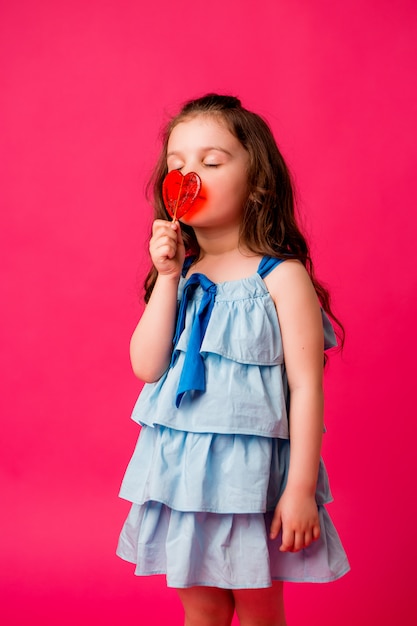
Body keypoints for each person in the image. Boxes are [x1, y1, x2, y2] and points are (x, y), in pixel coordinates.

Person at [117, 94, 350, 626]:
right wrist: (170, 277)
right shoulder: (183, 278)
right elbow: (146, 366)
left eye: (211, 162)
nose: (189, 175)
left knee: (258, 604)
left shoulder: (281, 278)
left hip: (253, 483)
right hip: (183, 478)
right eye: (177, 166)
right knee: (199, 604)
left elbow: (306, 389)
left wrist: (298, 491)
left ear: (257, 185)